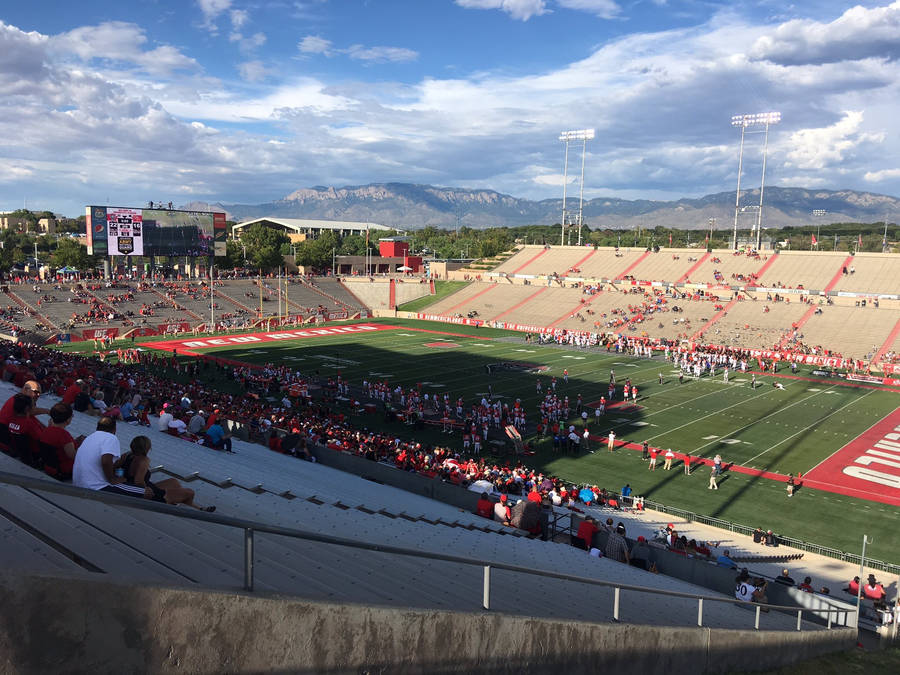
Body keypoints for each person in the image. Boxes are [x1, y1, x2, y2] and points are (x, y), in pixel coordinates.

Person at [121, 435, 215, 511]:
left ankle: (195, 506)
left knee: (174, 482)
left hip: (143, 486)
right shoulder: (144, 460)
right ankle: (197, 507)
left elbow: (116, 467)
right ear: (147, 448)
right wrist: (146, 491)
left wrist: (122, 477)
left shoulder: (127, 455)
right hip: (150, 495)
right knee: (190, 492)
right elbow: (138, 481)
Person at [72, 417, 147, 498]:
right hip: (95, 487)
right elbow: (106, 461)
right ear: (114, 429)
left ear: (97, 427)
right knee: (146, 492)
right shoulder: (111, 438)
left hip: (78, 483)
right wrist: (112, 479)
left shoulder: (90, 437)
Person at [38, 402, 84, 478]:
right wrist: (82, 446)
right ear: (67, 420)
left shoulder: (46, 430)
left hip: (48, 466)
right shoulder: (64, 435)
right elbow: (73, 456)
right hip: (62, 470)